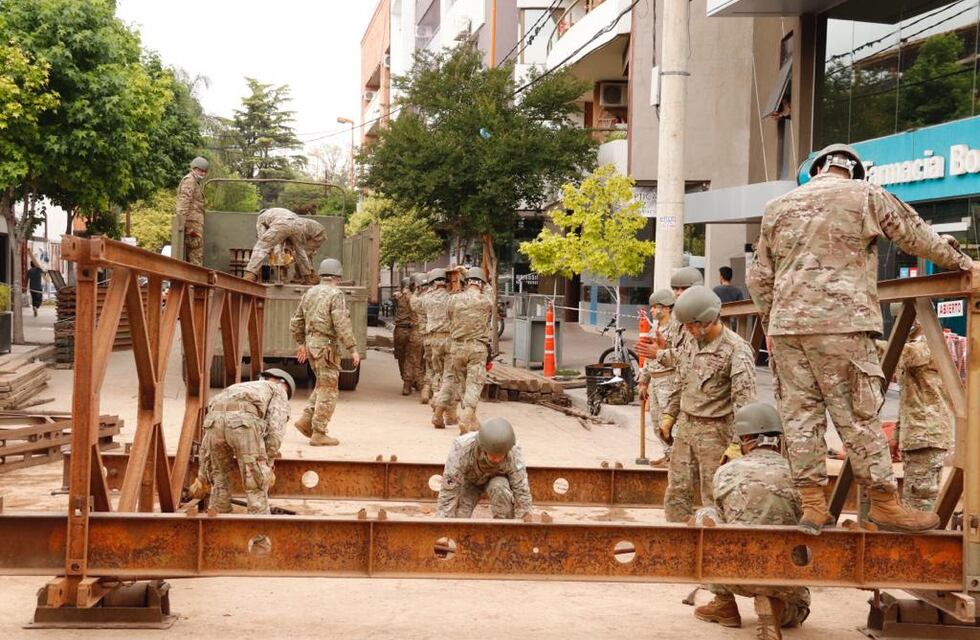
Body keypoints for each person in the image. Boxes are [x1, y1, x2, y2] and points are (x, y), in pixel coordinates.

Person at [746, 143, 975, 533]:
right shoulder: (865, 195)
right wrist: (965, 264)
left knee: (801, 418)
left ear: (815, 169)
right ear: (853, 170)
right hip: (843, 325)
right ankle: (884, 503)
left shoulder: (777, 207)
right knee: (858, 414)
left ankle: (814, 506)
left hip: (787, 329)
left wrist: (773, 321)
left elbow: (758, 277)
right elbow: (916, 236)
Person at [692, 402, 811, 640]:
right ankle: (778, 608)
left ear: (745, 437)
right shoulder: (802, 474)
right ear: (779, 437)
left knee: (705, 516)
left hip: (737, 573)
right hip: (789, 576)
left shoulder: (726, 472)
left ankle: (724, 602)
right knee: (799, 611)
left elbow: (722, 515)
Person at [661, 286, 757, 522]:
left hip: (715, 432)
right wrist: (669, 416)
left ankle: (712, 545)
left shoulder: (736, 350)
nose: (688, 330)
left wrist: (736, 444)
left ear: (709, 320)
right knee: (677, 490)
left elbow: (745, 404)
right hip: (686, 427)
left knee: (714, 495)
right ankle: (676, 540)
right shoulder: (691, 343)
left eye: (692, 325)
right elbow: (682, 381)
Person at [190, 369, 294, 514]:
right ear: (285, 385)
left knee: (219, 476)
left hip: (213, 422)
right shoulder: (279, 390)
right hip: (243, 423)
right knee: (255, 482)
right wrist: (267, 464)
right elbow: (275, 430)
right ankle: (258, 529)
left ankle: (219, 517)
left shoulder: (238, 387)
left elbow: (206, 447)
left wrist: (202, 475)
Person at [887, 303, 952, 511]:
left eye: (901, 319)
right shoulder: (913, 343)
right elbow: (907, 401)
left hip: (926, 435)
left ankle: (924, 542)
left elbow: (906, 354)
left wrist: (860, 344)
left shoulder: (929, 343)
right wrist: (897, 436)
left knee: (919, 503)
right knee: (913, 498)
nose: (898, 324)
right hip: (916, 437)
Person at [289, 258, 360, 446]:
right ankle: (319, 432)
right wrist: (352, 348)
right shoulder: (336, 294)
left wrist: (301, 343)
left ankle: (306, 420)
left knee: (322, 384)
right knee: (329, 390)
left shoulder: (309, 292)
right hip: (326, 347)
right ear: (337, 276)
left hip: (312, 345)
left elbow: (296, 320)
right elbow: (341, 323)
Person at [434, 267, 494, 433]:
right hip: (477, 347)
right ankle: (466, 417)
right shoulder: (485, 299)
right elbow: (489, 289)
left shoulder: (454, 299)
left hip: (457, 347)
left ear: (466, 283)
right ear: (481, 283)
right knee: (474, 384)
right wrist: (478, 277)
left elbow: (449, 317)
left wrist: (465, 275)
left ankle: (470, 418)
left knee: (460, 382)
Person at [436, 417, 532, 519]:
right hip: (469, 481)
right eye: (493, 455)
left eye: (501, 455)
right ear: (483, 448)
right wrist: (444, 525)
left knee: (500, 489)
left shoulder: (513, 450)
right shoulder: (461, 448)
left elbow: (521, 489)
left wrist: (523, 523)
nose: (497, 459)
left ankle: (503, 528)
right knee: (459, 515)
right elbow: (448, 491)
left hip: (497, 480)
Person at [637, 288, 677, 467]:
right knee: (655, 422)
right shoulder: (655, 329)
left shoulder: (676, 329)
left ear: (667, 308)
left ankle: (676, 458)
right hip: (654, 380)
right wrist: (643, 381)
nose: (652, 310)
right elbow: (647, 357)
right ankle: (668, 454)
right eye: (652, 307)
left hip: (668, 381)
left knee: (668, 423)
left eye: (656, 307)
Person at [243, 208, 326, 284]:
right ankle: (308, 278)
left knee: (261, 247)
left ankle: (250, 275)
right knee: (300, 252)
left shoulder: (261, 217)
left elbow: (262, 236)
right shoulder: (279, 211)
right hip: (297, 224)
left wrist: (270, 248)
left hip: (282, 223)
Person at [424, 268, 460, 428]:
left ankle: (449, 412)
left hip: (433, 340)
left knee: (438, 374)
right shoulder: (452, 298)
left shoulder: (426, 298)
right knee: (450, 377)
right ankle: (440, 409)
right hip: (450, 340)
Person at [175, 156, 209, 265]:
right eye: (200, 170)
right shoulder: (190, 181)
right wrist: (181, 221)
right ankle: (196, 278)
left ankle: (194, 278)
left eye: (204, 171)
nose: (202, 173)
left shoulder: (195, 182)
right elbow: (184, 200)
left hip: (193, 223)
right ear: (194, 169)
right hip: (191, 223)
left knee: (195, 252)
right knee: (195, 253)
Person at [392, 277, 415, 395]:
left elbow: (395, 295)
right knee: (411, 358)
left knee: (401, 357)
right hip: (413, 330)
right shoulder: (415, 298)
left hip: (400, 330)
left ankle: (405, 379)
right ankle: (408, 383)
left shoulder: (398, 297)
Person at [411, 271, 431, 402]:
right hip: (433, 336)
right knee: (431, 364)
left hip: (419, 334)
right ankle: (429, 388)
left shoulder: (420, 299)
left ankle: (420, 385)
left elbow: (413, 305)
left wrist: (416, 292)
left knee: (417, 362)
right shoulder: (433, 297)